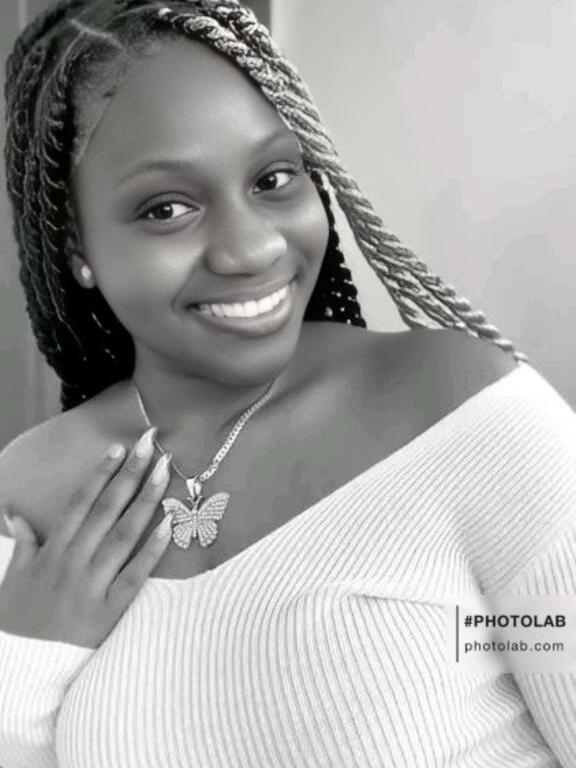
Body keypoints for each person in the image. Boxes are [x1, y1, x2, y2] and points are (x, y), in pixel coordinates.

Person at [0, 0, 574, 766]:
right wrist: (21, 658)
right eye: (166, 208)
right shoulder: (25, 496)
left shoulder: (466, 416)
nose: (251, 249)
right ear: (76, 244)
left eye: (274, 178)